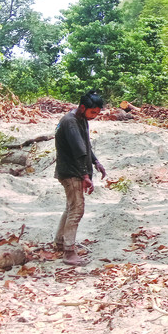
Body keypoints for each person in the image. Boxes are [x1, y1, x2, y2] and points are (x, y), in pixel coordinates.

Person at [54, 90, 107, 266]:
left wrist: (96, 161)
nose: (94, 116)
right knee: (77, 210)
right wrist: (85, 175)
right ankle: (69, 252)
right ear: (83, 107)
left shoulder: (80, 119)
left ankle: (60, 242)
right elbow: (78, 151)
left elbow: (85, 145)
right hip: (71, 172)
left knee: (70, 207)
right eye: (93, 112)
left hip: (74, 170)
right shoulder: (70, 123)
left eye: (97, 113)